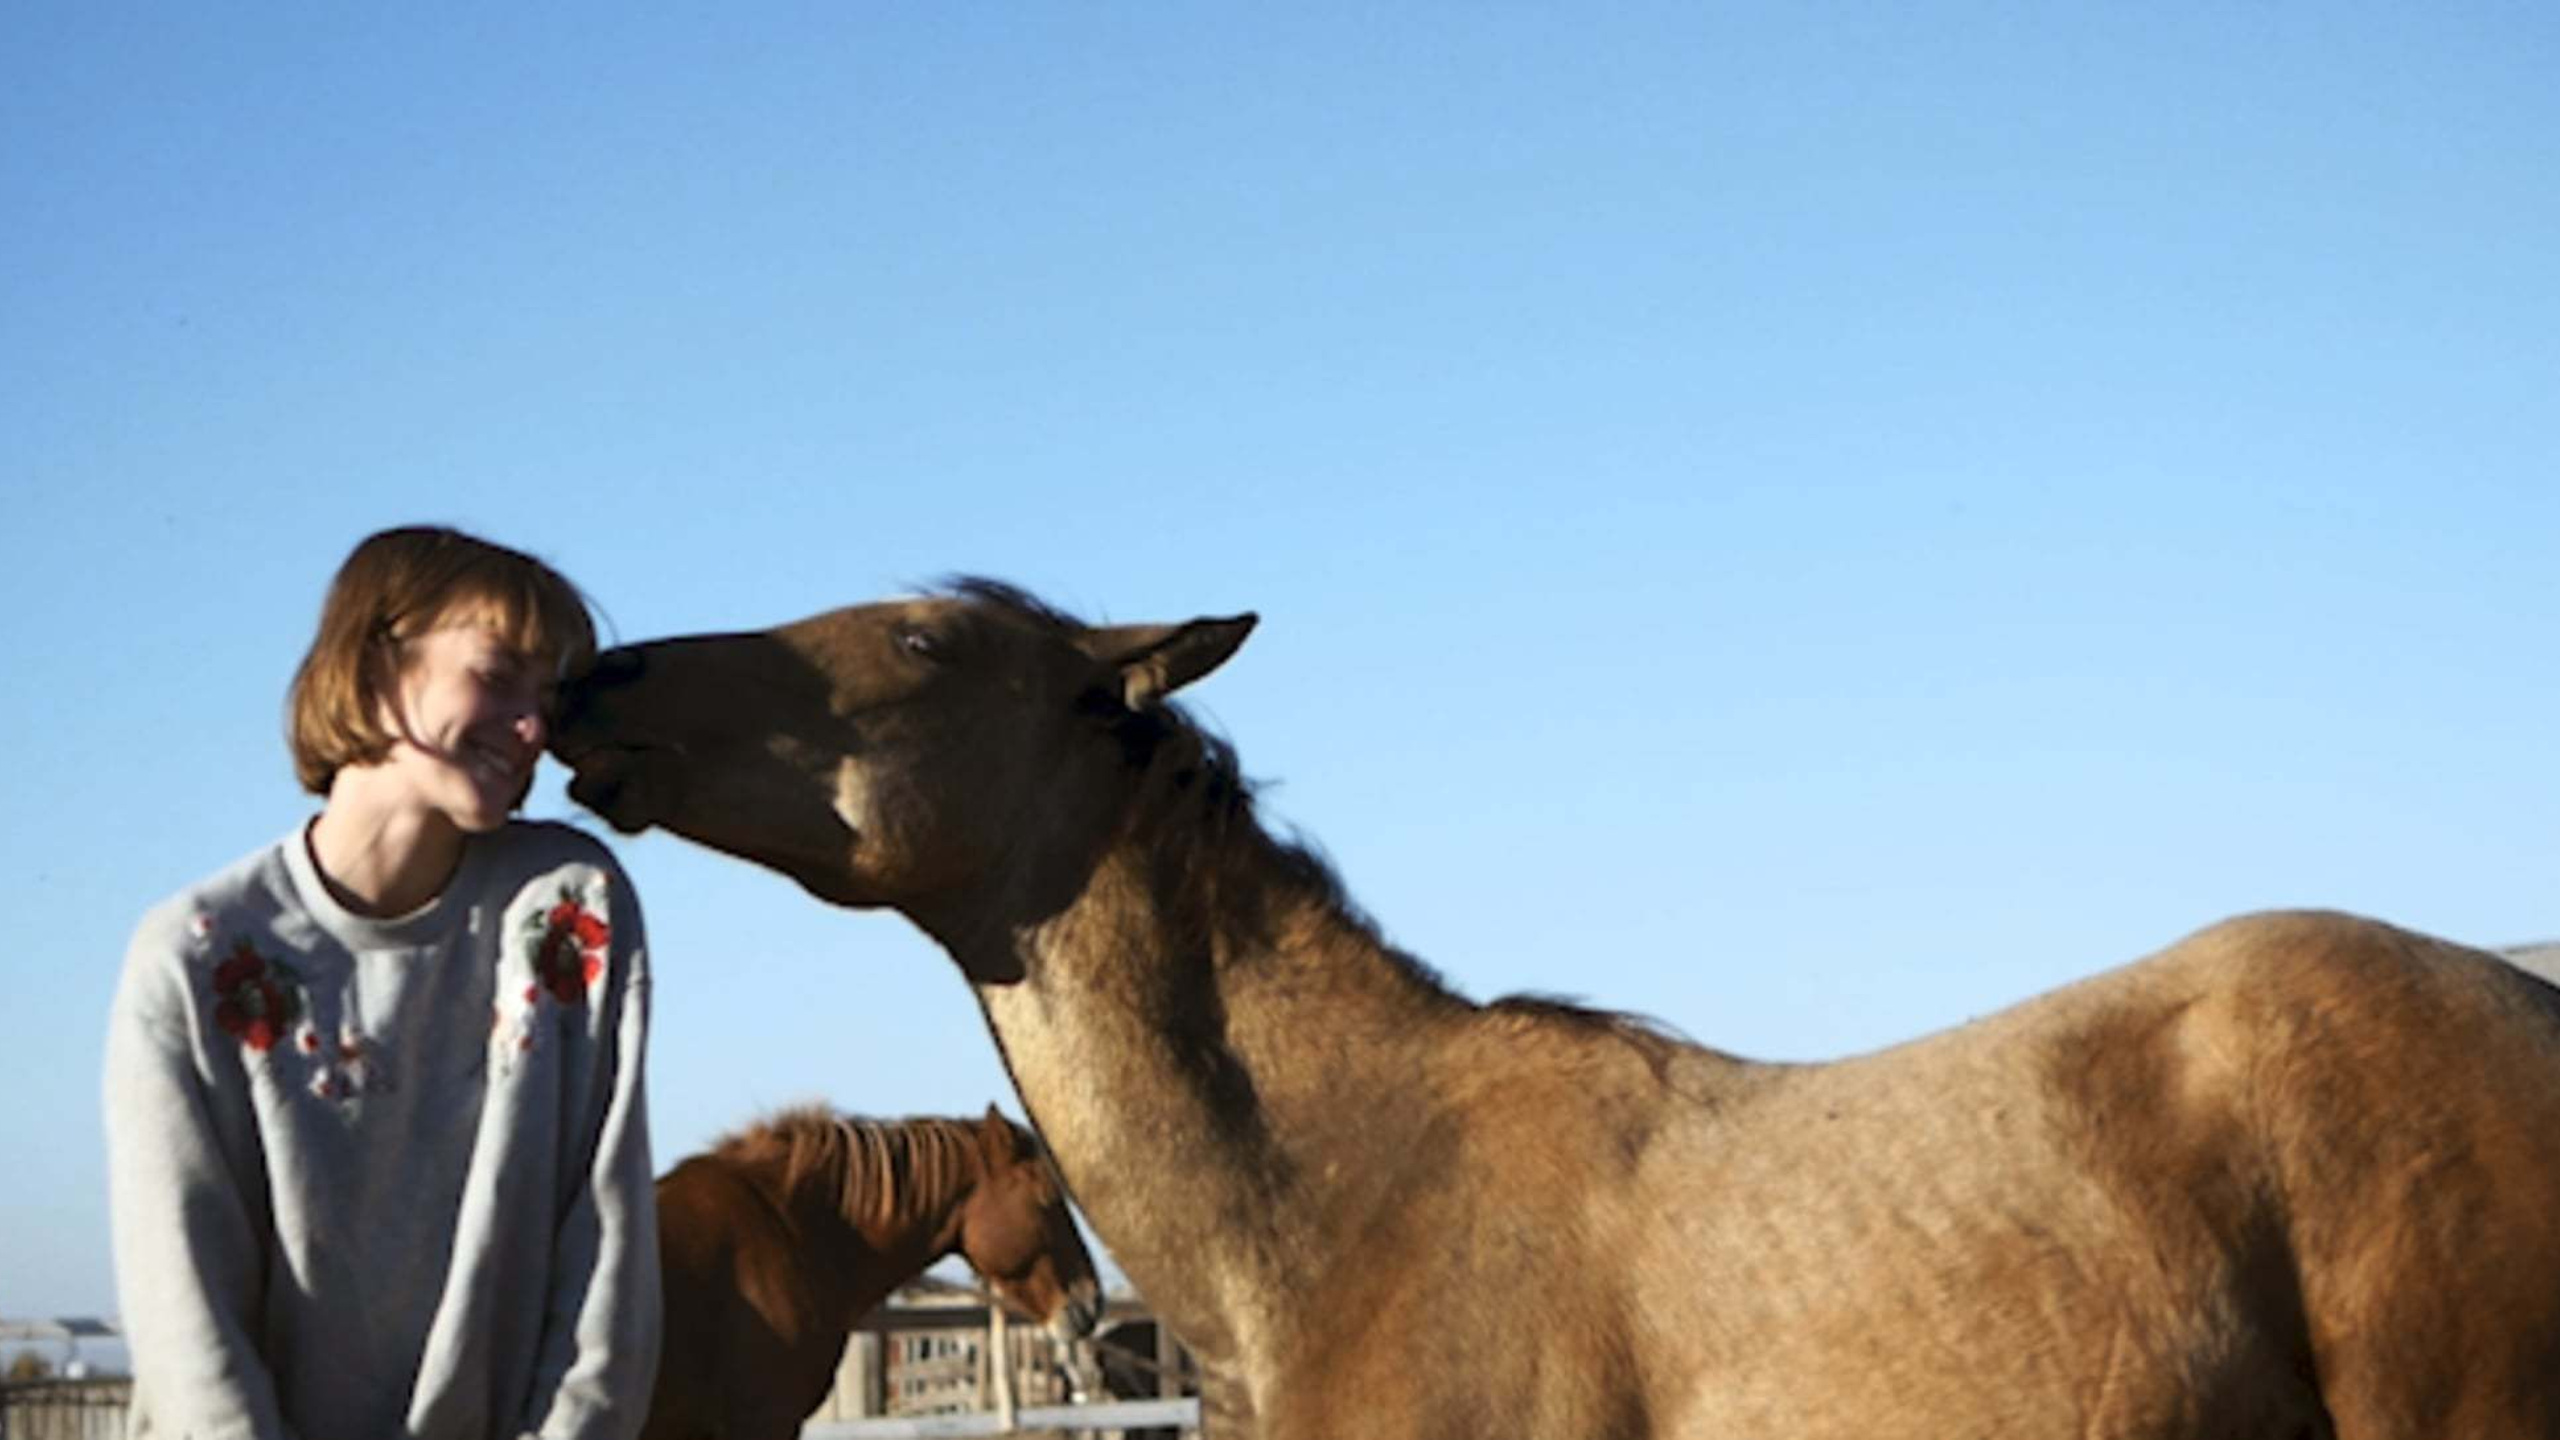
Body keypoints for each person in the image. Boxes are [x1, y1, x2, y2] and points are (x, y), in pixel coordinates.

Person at [104, 526, 659, 1440]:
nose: (531, 730)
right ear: (371, 670)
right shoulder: (197, 955)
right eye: (496, 673)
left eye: (547, 698)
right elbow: (183, 1306)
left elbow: (605, 1247)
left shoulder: (565, 912)